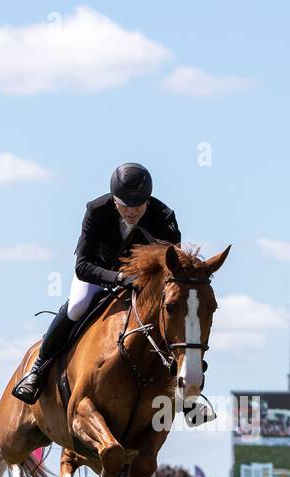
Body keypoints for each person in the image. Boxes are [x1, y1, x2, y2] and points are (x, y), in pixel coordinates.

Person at [12, 162, 181, 404]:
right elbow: (82, 266)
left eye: (138, 206)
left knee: (170, 315)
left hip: (143, 284)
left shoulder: (164, 217)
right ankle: (37, 371)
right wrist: (119, 278)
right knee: (77, 306)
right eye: (125, 206)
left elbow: (172, 266)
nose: (132, 212)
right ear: (114, 201)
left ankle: (187, 391)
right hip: (98, 275)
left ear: (148, 200)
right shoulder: (97, 210)